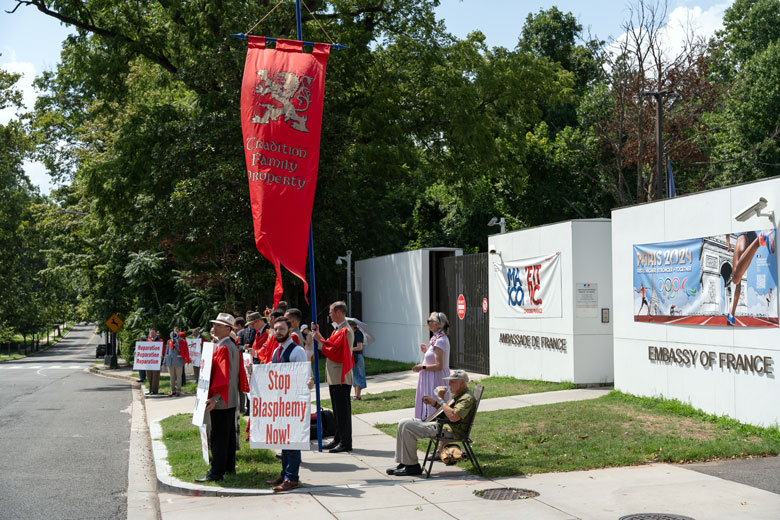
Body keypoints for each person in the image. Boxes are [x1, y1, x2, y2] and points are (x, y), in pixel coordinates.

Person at [387, 369, 476, 477]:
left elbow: (453, 417)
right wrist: (434, 403)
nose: (449, 384)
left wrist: (440, 398)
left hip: (451, 430)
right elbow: (447, 412)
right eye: (449, 381)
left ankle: (412, 466)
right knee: (403, 422)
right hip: (445, 426)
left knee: (407, 426)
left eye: (452, 381)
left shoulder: (467, 398)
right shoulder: (459, 395)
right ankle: (404, 463)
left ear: (462, 383)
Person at [196, 312, 249, 483]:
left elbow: (223, 377)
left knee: (219, 436)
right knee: (228, 435)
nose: (214, 327)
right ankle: (228, 467)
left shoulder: (224, 348)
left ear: (228, 329)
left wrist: (215, 398)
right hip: (230, 398)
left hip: (222, 399)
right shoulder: (229, 346)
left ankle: (216, 472)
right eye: (215, 324)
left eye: (218, 325)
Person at [264, 317, 314, 492]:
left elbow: (306, 374)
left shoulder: (297, 351)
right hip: (281, 403)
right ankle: (285, 473)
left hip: (293, 404)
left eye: (281, 329)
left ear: (289, 331)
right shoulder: (276, 351)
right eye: (276, 329)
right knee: (284, 439)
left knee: (292, 441)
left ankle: (292, 478)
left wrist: (309, 382)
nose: (278, 332)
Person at [312, 301, 354, 453]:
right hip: (335, 376)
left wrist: (319, 340)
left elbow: (334, 352)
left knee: (342, 412)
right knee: (337, 411)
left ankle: (345, 442)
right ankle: (338, 438)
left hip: (341, 377)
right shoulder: (338, 330)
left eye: (330, 312)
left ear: (338, 312)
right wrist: (320, 337)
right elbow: (331, 344)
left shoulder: (345, 331)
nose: (329, 315)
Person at [725, 231, 776, 326]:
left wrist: (728, 244)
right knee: (738, 281)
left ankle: (760, 240)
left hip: (742, 234)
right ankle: (732, 314)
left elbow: (727, 234)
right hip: (750, 235)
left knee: (735, 278)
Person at [414, 312, 451, 420]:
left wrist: (422, 367)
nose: (428, 323)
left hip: (435, 378)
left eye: (429, 321)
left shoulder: (440, 340)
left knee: (433, 402)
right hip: (431, 377)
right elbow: (434, 359)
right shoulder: (437, 338)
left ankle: (433, 424)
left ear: (436, 324)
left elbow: (439, 366)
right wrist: (426, 352)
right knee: (429, 402)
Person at [164, 331, 190, 397]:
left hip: (178, 360)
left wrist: (176, 345)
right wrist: (164, 360)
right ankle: (172, 390)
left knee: (179, 376)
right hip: (170, 361)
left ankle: (178, 390)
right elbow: (167, 351)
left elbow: (182, 350)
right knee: (172, 376)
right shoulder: (169, 341)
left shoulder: (182, 341)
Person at [349, 320, 367, 400]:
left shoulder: (358, 334)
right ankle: (356, 395)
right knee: (355, 376)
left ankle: (358, 395)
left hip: (358, 357)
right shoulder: (352, 334)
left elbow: (360, 347)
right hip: (353, 356)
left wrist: (349, 349)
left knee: (359, 375)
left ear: (353, 326)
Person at [145, 328, 163, 395]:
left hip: (156, 362)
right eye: (150, 332)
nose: (151, 334)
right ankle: (150, 390)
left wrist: (162, 356)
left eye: (153, 332)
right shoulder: (148, 341)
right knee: (149, 376)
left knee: (155, 376)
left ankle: (154, 390)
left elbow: (163, 351)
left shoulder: (160, 341)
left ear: (156, 333)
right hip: (148, 362)